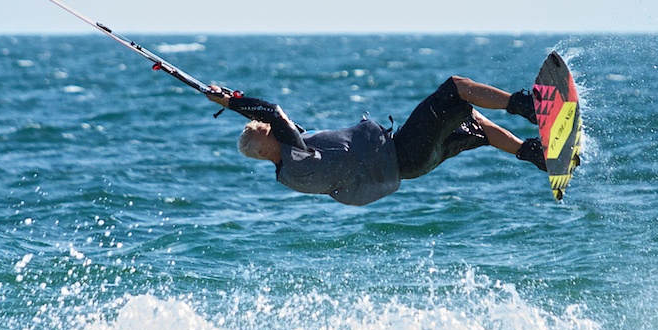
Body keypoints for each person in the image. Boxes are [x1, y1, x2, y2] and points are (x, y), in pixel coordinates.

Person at [206, 75, 546, 206]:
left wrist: (231, 100)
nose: (270, 126)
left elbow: (285, 124)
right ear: (264, 148)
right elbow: (274, 113)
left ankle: (534, 153)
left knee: (472, 120)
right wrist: (232, 102)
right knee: (456, 88)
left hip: (409, 167)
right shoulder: (295, 158)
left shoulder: (292, 166)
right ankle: (528, 106)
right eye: (266, 130)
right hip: (404, 152)